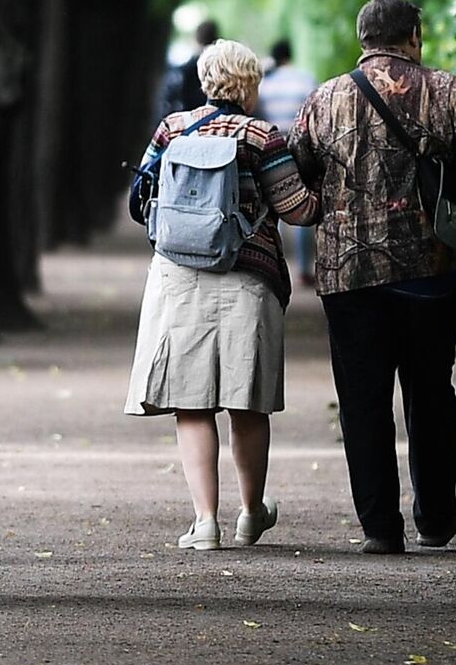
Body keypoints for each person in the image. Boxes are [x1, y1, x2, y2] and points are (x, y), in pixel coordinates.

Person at [290, 0, 456, 555]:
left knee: (361, 399)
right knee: (430, 390)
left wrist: (328, 219)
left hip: (349, 276)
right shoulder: (449, 92)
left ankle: (379, 528)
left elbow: (295, 176)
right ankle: (435, 516)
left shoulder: (325, 100)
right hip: (430, 275)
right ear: (415, 35)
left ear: (362, 39)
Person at [126, 39, 320, 551]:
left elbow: (141, 198)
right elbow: (297, 208)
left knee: (191, 406)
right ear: (251, 85)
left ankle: (205, 522)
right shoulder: (263, 137)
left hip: (179, 277)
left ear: (206, 79)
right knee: (246, 404)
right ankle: (251, 514)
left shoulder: (172, 129)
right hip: (247, 279)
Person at [257, 39, 318, 287]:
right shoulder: (305, 79)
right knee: (300, 204)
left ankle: (276, 261)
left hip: (268, 147)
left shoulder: (264, 84)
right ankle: (303, 268)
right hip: (298, 148)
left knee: (272, 209)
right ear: (290, 55)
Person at [153, 19, 219, 124]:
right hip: (213, 123)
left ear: (196, 38)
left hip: (188, 122)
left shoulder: (184, 70)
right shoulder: (221, 70)